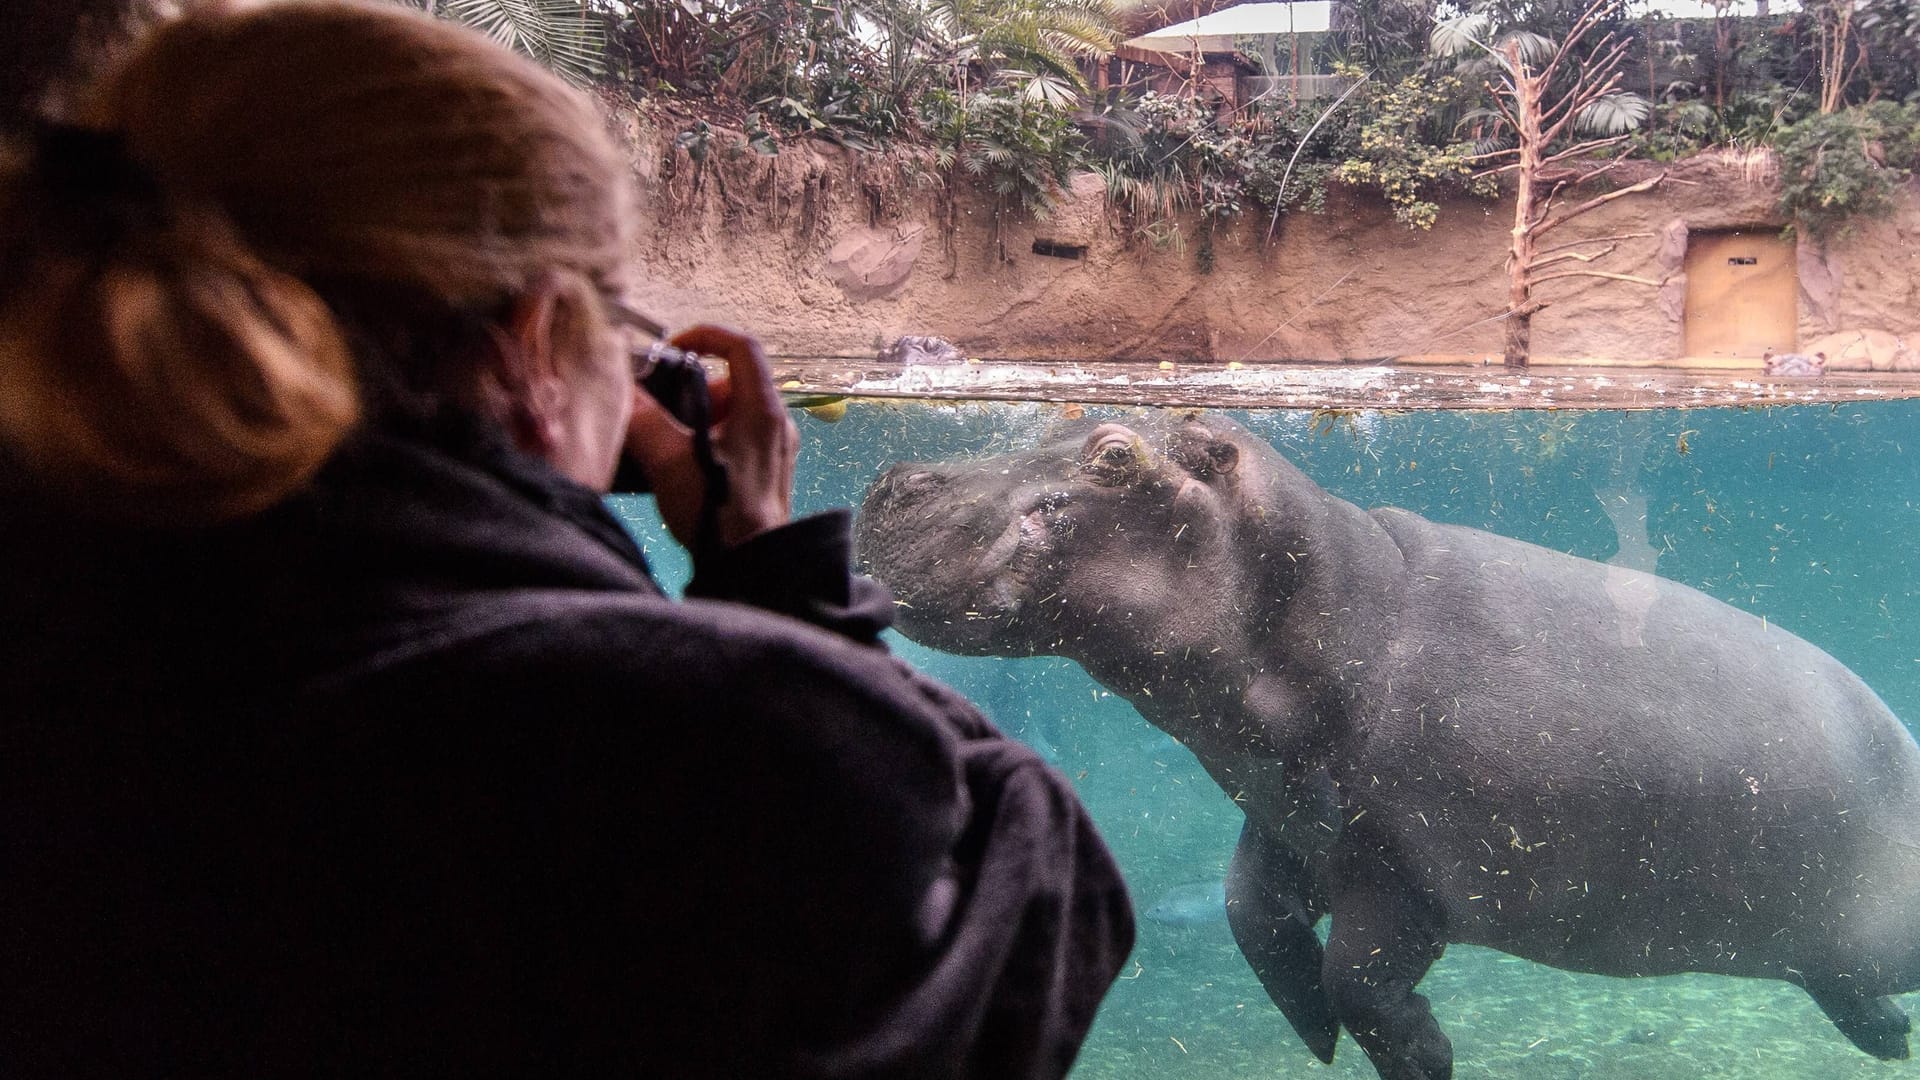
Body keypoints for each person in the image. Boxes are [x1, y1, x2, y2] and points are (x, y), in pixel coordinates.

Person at [0, 3, 1134, 1076]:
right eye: (624, 329)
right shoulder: (665, 732)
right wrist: (768, 572)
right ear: (539, 343)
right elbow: (1049, 891)